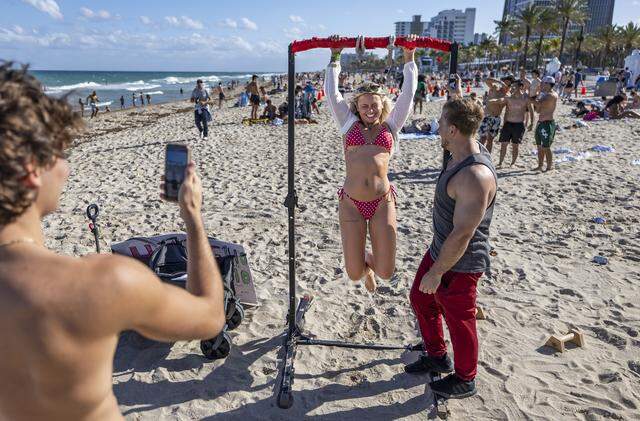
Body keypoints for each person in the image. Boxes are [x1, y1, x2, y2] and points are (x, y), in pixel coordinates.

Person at [0, 62, 226, 421]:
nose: (66, 168)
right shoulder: (99, 282)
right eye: (61, 153)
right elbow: (210, 316)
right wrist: (193, 217)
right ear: (32, 171)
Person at [405, 98, 497, 400]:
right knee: (420, 298)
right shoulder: (455, 153)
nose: (438, 126)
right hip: (439, 249)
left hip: (461, 261)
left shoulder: (474, 175)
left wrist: (437, 271)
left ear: (454, 129)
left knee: (460, 321)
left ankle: (465, 378)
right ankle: (437, 355)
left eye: (442, 122)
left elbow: (463, 234)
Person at [324, 34, 417, 292]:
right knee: (354, 273)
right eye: (364, 106)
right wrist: (335, 57)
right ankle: (364, 269)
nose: (369, 110)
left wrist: (409, 58)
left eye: (374, 105)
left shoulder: (391, 126)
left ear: (382, 104)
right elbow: (332, 93)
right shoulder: (348, 124)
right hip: (351, 204)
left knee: (386, 272)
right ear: (357, 106)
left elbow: (408, 94)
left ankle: (372, 267)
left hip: (381, 202)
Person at [489, 81, 534, 168]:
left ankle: (513, 163)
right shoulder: (508, 97)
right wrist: (491, 100)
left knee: (515, 145)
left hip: (519, 124)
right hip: (508, 124)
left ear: (521, 87)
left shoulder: (526, 98)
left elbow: (531, 111)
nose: (512, 88)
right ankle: (500, 162)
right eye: (512, 86)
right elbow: (499, 101)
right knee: (503, 145)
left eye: (514, 86)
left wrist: (532, 123)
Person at [532, 76, 559, 172]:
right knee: (539, 146)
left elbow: (539, 105)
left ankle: (549, 167)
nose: (542, 85)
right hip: (540, 122)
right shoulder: (544, 94)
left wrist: (529, 99)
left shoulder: (552, 95)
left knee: (546, 147)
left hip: (548, 123)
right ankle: (540, 165)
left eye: (544, 83)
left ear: (548, 84)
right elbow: (538, 110)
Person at [478, 77, 508, 153]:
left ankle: (487, 155)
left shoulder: (507, 95)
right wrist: (499, 81)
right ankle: (478, 155)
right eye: (505, 83)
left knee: (490, 139)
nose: (506, 85)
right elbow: (486, 80)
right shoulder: (495, 88)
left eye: (508, 84)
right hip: (487, 116)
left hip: (497, 118)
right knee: (482, 138)